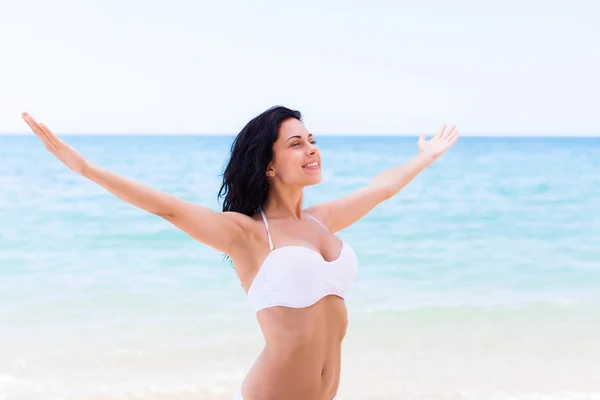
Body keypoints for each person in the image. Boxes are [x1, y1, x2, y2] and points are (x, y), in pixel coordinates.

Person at [21, 106, 459, 400]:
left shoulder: (322, 219)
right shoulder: (246, 233)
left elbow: (381, 189)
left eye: (311, 139)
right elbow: (168, 207)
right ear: (269, 165)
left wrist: (428, 156)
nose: (311, 149)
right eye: (295, 143)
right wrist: (84, 168)